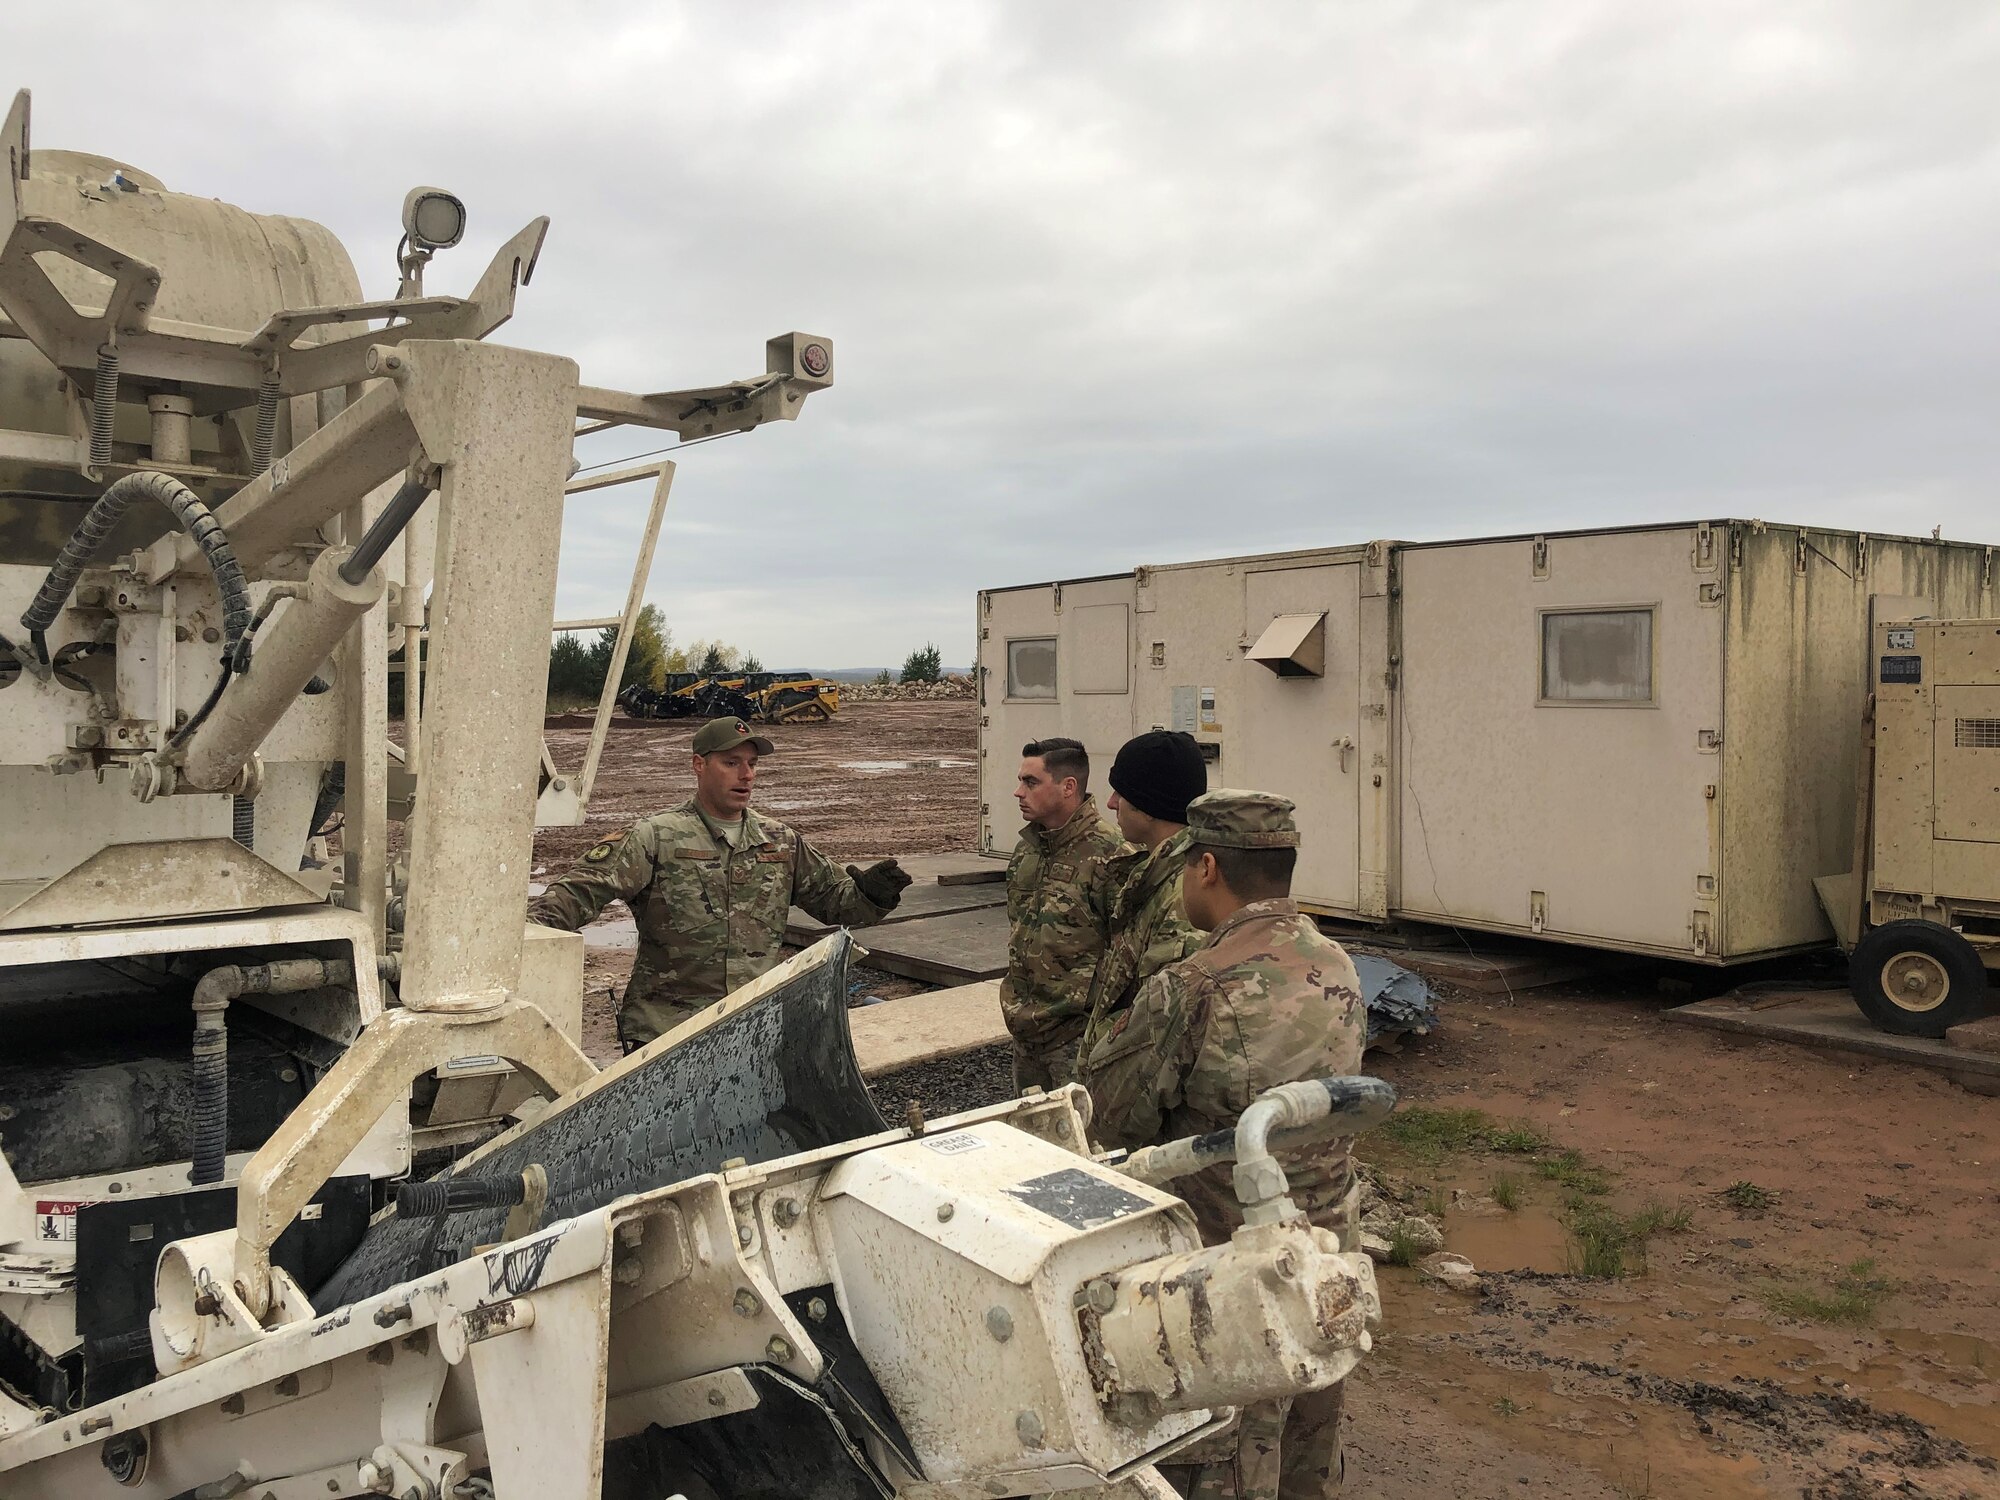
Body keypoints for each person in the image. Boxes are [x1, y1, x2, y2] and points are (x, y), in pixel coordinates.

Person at [1081, 789, 1365, 1500]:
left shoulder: (1194, 985)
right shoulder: (1336, 961)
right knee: (1310, 1421)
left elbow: (1112, 1119)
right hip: (1328, 1253)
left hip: (1225, 1265)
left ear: (1206, 867)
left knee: (1221, 1443)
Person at [531, 716, 911, 1050]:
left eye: (752, 764)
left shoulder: (778, 841)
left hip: (755, 1024)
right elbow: (578, 892)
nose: (746, 775)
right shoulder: (657, 837)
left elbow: (836, 901)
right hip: (669, 1032)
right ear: (699, 765)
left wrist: (871, 893)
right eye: (731, 763)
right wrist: (523, 943)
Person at [1000, 736, 1130, 1090]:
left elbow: (1132, 956)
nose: (1018, 792)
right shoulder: (1026, 852)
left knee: (1083, 1141)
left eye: (1031, 782)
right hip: (1027, 1035)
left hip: (1080, 1040)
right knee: (1030, 1140)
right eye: (1020, 781)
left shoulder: (1113, 856)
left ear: (1068, 787)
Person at [1077, 729, 1209, 1063]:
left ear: (1149, 805)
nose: (1110, 803)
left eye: (1120, 792)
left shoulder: (1182, 896)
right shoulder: (1152, 876)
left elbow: (1163, 1037)